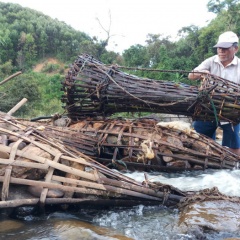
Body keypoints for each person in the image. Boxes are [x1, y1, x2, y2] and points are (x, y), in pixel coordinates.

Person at [188, 31, 240, 154]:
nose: (221, 51)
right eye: (219, 48)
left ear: (235, 49)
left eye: (225, 48)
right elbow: (191, 75)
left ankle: (232, 170)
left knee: (234, 147)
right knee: (198, 140)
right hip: (208, 109)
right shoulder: (211, 61)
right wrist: (202, 73)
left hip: (231, 111)